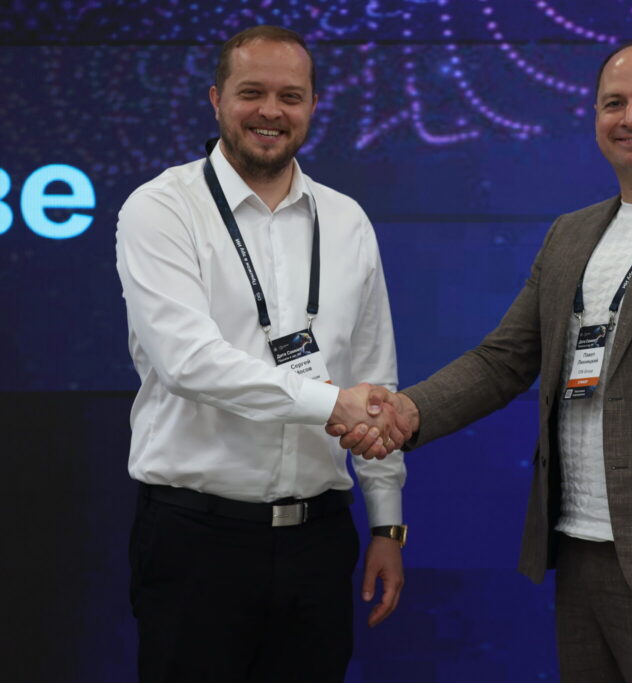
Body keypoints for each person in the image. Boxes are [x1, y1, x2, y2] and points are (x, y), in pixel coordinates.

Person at [334, 41, 632, 681]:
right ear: (595, 118)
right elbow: (504, 360)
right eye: (614, 104)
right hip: (576, 548)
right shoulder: (570, 235)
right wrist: (407, 411)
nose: (631, 118)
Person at [115, 25, 411, 682]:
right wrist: (331, 403)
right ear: (217, 99)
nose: (270, 111)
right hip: (196, 540)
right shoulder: (162, 209)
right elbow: (188, 362)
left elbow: (375, 376)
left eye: (290, 96)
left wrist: (386, 524)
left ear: (312, 106)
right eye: (251, 92)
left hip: (319, 541)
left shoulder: (346, 220)